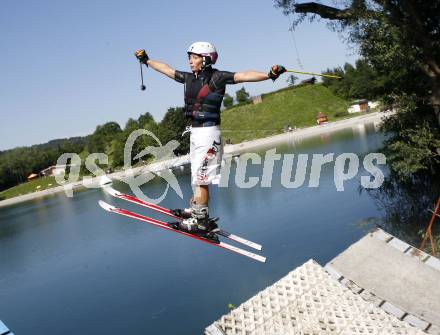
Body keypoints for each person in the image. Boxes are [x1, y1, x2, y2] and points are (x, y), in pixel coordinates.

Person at [135, 42, 286, 236]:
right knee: (196, 176)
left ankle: (201, 221)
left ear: (206, 59)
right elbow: (166, 69)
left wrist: (269, 75)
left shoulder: (218, 77)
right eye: (190, 57)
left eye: (195, 57)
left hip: (208, 133)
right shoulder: (188, 78)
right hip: (195, 133)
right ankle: (196, 209)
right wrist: (146, 60)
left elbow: (243, 75)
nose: (190, 60)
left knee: (202, 178)